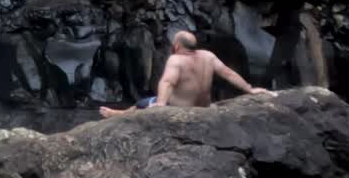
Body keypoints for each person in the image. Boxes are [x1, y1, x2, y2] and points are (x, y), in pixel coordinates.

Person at [99, 31, 271, 118]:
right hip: (203, 108)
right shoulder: (208, 56)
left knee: (141, 103)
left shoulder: (176, 60)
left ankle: (120, 115)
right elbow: (229, 74)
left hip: (178, 108)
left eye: (174, 43)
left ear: (178, 46)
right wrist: (250, 89)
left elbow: (167, 82)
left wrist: (160, 104)